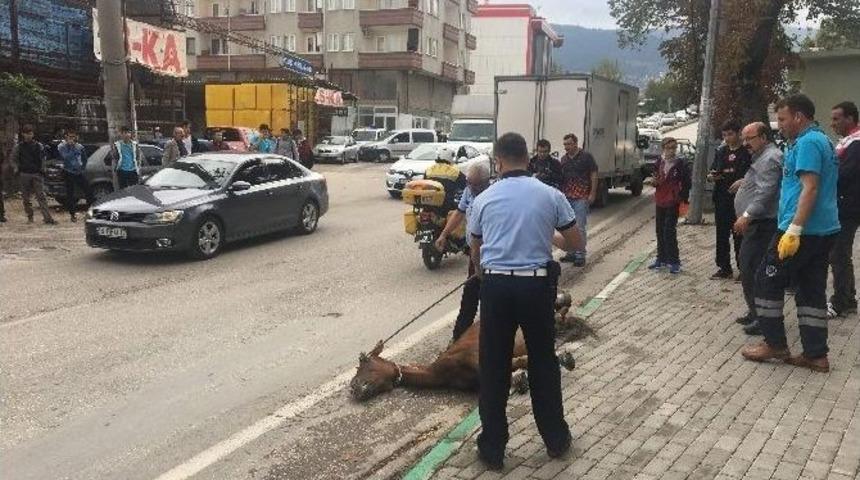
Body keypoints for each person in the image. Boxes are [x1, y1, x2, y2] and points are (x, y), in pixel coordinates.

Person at [468, 132, 583, 470]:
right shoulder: (550, 195)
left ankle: (492, 449)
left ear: (498, 161)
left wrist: (482, 273)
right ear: (529, 159)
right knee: (544, 363)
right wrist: (550, 234)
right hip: (536, 289)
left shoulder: (484, 199)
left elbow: (476, 249)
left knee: (494, 367)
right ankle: (556, 440)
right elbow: (575, 243)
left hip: (497, 289)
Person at [741, 94, 840, 373]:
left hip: (802, 230)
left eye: (782, 119)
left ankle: (775, 343)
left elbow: (810, 187)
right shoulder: (822, 141)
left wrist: (794, 229)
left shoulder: (808, 143)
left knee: (765, 281)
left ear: (798, 117)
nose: (779, 125)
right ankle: (816, 354)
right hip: (824, 230)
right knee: (811, 290)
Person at [732, 122, 783, 335]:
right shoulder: (763, 157)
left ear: (763, 137)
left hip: (762, 224)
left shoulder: (771, 157)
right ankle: (755, 313)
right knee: (748, 267)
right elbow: (761, 181)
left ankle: (763, 319)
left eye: (749, 138)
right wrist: (745, 182)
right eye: (744, 139)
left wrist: (746, 215)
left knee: (752, 268)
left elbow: (766, 193)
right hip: (758, 224)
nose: (745, 144)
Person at [435, 162, 491, 342]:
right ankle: (458, 338)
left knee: (489, 300)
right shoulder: (469, 191)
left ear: (486, 182)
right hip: (474, 254)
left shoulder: (493, 195)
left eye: (476, 185)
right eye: (469, 183)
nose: (472, 188)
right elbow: (459, 213)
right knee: (469, 296)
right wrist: (444, 234)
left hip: (492, 256)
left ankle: (488, 339)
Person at [827, 101, 860, 319]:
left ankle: (839, 302)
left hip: (847, 207)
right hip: (845, 205)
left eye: (837, 119)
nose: (833, 123)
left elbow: (843, 174)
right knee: (841, 254)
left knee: (838, 254)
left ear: (850, 118)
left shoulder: (856, 144)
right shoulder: (847, 142)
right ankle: (848, 298)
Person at [708, 119, 752, 280]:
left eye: (730, 134)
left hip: (739, 199)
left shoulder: (746, 152)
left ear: (738, 133)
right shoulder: (721, 151)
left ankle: (743, 269)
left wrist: (742, 181)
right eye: (724, 135)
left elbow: (752, 174)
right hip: (721, 197)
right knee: (721, 235)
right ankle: (724, 267)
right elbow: (714, 169)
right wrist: (712, 176)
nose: (727, 138)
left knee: (739, 234)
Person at [648, 137, 691, 274]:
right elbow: (655, 178)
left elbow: (686, 182)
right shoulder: (659, 162)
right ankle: (661, 258)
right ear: (663, 148)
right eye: (668, 148)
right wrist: (654, 181)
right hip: (661, 199)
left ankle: (674, 261)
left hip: (673, 200)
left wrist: (683, 198)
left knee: (669, 231)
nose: (671, 150)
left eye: (673, 147)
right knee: (659, 230)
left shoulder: (681, 163)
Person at [559, 133, 597, 266]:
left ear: (575, 143)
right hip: (567, 197)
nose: (566, 147)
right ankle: (570, 252)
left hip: (581, 197)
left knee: (580, 226)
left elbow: (593, 174)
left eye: (568, 144)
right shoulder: (563, 159)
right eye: (565, 144)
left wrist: (592, 193)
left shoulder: (586, 157)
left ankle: (580, 254)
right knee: (567, 227)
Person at [11, 125, 55, 224]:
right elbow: (13, 159)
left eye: (30, 133)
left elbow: (43, 158)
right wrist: (16, 168)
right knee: (26, 198)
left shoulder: (38, 146)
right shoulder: (19, 147)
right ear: (23, 134)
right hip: (24, 174)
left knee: (41, 197)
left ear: (33, 134)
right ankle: (30, 217)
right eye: (26, 133)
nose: (28, 136)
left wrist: (43, 169)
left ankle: (47, 218)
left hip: (36, 174)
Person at [57, 129, 94, 222]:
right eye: (70, 136)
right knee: (70, 194)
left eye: (74, 137)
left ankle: (90, 212)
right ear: (66, 137)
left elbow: (84, 159)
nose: (72, 139)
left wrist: (82, 168)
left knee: (88, 190)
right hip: (68, 171)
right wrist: (72, 147)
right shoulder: (62, 146)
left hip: (78, 172)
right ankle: (72, 214)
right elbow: (66, 157)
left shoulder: (80, 147)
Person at [424, 147, 467, 211]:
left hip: (428, 202)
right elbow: (465, 185)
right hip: (446, 203)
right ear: (450, 157)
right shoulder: (454, 171)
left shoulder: (429, 169)